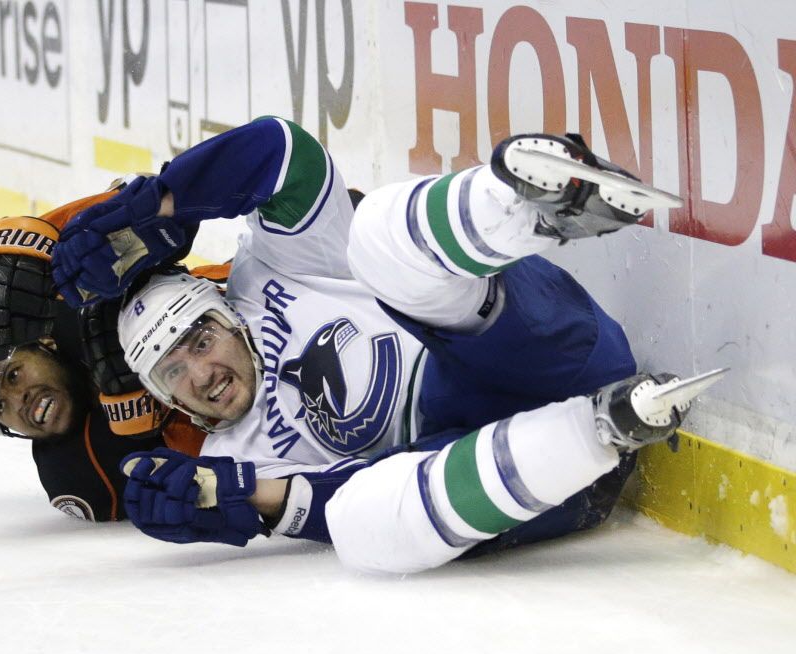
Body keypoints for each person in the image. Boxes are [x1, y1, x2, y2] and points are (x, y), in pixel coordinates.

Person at [50, 118, 712, 573]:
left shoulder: (272, 269)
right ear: (170, 401)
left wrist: (169, 201)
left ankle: (531, 205)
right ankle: (602, 430)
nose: (201, 371)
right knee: (360, 526)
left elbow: (285, 153)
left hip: (542, 345)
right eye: (173, 371)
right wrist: (253, 500)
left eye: (198, 338)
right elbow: (334, 502)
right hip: (546, 478)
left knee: (372, 238)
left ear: (229, 314)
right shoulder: (226, 460)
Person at [0, 184, 212, 522]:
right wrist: (149, 409)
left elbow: (155, 199)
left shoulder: (79, 304)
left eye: (13, 375)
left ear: (45, 344)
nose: (19, 400)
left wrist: (25, 249)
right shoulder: (77, 473)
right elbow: (215, 483)